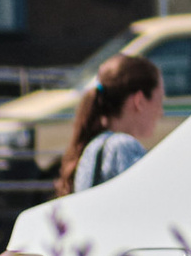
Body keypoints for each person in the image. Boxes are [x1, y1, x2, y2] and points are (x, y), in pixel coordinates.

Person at [57, 50, 166, 191]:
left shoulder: (92, 146)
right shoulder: (123, 147)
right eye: (159, 100)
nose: (161, 112)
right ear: (139, 101)